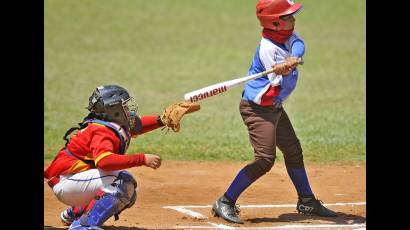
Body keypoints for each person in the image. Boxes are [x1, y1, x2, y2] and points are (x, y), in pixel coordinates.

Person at [211, 0, 338, 224]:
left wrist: (291, 60)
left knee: (293, 150)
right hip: (258, 109)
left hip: (274, 107)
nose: (293, 19)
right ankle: (226, 201)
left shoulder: (286, 37)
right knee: (264, 159)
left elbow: (299, 45)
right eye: (288, 17)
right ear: (275, 23)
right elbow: (276, 87)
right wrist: (284, 70)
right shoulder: (268, 50)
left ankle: (307, 200)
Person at [44, 85, 198, 230]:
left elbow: (136, 125)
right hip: (67, 183)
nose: (127, 109)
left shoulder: (107, 123)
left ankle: (76, 212)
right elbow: (104, 162)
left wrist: (161, 120)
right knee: (122, 183)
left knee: (129, 192)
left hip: (75, 182)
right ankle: (83, 225)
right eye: (123, 106)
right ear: (114, 111)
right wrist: (142, 159)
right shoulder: (101, 131)